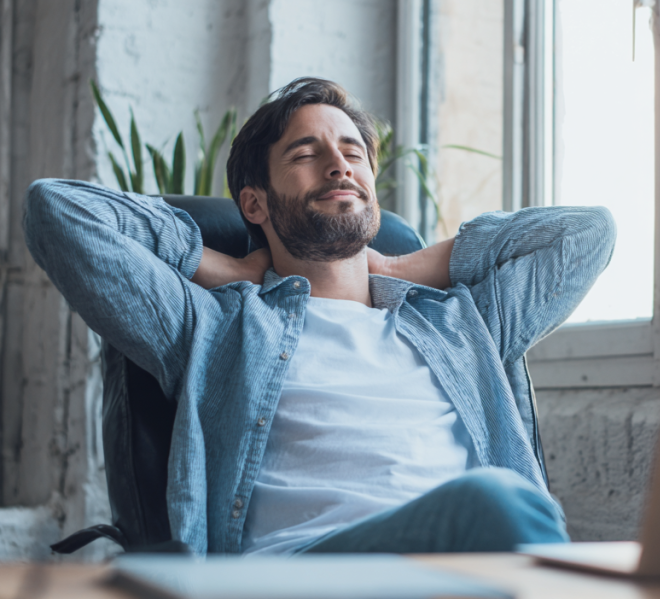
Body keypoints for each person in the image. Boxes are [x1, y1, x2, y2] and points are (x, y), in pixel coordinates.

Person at [23, 77, 616, 556]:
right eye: (307, 154)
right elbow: (58, 210)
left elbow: (588, 234)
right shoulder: (216, 327)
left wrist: (396, 268)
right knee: (502, 506)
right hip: (302, 571)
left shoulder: (461, 324)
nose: (340, 166)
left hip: (468, 567)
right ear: (254, 202)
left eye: (353, 153)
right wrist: (226, 270)